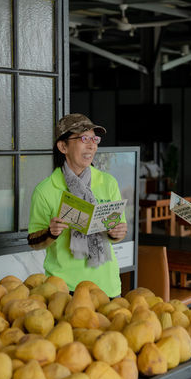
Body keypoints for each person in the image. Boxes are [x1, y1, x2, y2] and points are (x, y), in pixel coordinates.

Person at [27, 113, 127, 297]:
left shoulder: (108, 182)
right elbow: (33, 241)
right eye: (83, 138)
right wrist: (51, 232)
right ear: (63, 146)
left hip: (107, 287)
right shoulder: (46, 189)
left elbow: (118, 230)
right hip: (64, 289)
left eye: (94, 139)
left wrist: (117, 233)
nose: (92, 145)